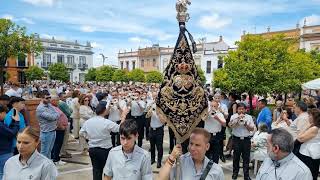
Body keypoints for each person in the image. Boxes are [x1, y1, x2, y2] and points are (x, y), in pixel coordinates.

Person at [79, 102, 125, 180]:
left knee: (96, 170)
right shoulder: (106, 122)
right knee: (109, 170)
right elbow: (119, 129)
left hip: (93, 148)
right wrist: (123, 117)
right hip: (105, 149)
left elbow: (81, 133)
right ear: (104, 111)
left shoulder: (88, 122)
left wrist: (89, 137)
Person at [158, 128, 224, 180]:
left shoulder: (216, 170)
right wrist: (171, 159)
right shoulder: (179, 162)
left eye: (197, 145)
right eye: (191, 143)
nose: (192, 148)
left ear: (207, 146)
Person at [229, 103, 255, 180]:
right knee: (236, 157)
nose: (241, 110)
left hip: (246, 140)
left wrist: (246, 124)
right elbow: (231, 126)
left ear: (245, 109)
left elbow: (252, 129)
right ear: (237, 109)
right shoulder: (233, 116)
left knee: (246, 158)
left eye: (242, 109)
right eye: (239, 109)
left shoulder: (249, 117)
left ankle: (246, 175)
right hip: (236, 139)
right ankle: (235, 173)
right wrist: (237, 120)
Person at [296, 108, 320, 180]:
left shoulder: (314, 128)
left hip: (307, 156)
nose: (308, 117)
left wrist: (307, 127)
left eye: (310, 116)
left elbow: (300, 138)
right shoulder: (315, 127)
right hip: (311, 156)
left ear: (314, 117)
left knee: (308, 175)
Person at [36, 90, 59, 159]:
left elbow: (57, 113)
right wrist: (55, 116)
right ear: (42, 98)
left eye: (49, 97)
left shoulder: (49, 105)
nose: (49, 99)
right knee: (44, 153)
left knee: (49, 151)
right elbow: (52, 117)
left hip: (52, 130)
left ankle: (47, 167)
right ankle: (42, 168)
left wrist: (55, 116)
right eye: (47, 98)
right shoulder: (40, 108)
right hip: (46, 133)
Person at [0, 105, 20, 180]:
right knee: (5, 172)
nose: (5, 115)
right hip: (4, 152)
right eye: (5, 113)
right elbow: (12, 133)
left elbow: (8, 131)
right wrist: (17, 122)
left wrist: (13, 122)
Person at [146, 100, 165, 168]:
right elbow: (147, 116)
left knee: (159, 147)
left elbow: (163, 122)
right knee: (152, 146)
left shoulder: (162, 110)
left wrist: (158, 113)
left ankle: (159, 161)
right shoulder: (151, 109)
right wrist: (150, 111)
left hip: (159, 130)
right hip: (152, 130)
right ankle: (152, 159)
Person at [50, 96, 68, 165]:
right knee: (57, 144)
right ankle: (56, 159)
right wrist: (61, 127)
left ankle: (55, 158)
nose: (58, 101)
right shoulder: (52, 108)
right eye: (57, 100)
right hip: (58, 129)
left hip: (60, 128)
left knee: (57, 144)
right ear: (53, 101)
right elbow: (56, 119)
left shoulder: (55, 107)